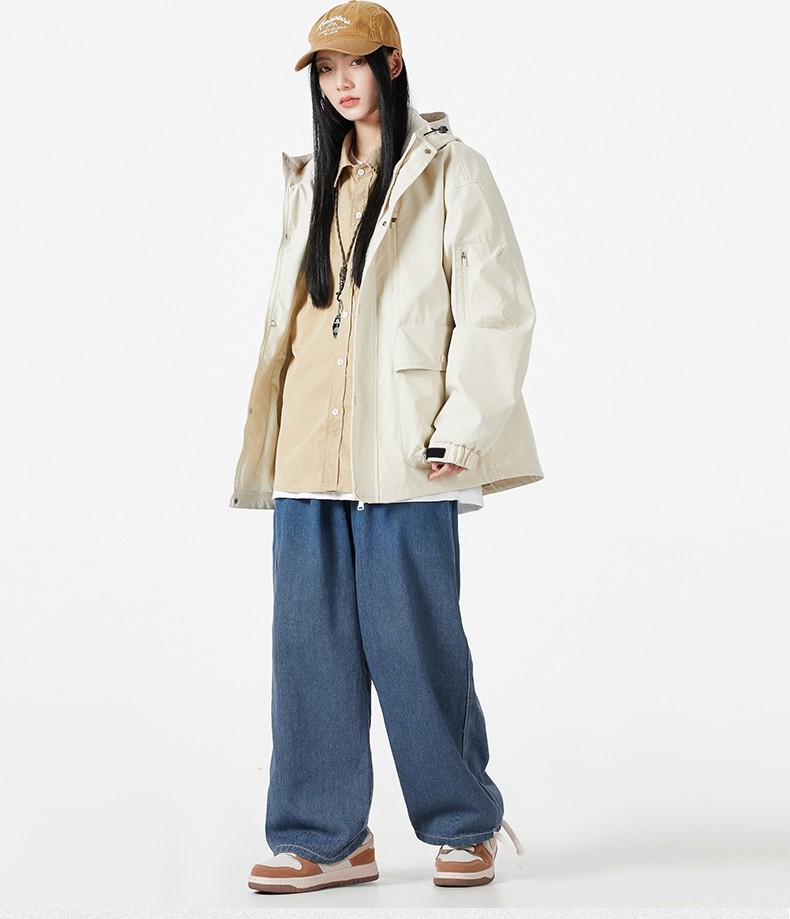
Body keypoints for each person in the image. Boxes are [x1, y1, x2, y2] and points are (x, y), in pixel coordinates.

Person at [229, 0, 543, 894]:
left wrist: (463, 426)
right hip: (307, 449)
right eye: (325, 71)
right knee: (309, 645)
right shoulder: (311, 182)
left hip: (406, 448)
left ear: (392, 64)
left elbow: (497, 307)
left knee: (415, 639)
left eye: (354, 64)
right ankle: (324, 836)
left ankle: (464, 822)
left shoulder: (451, 170)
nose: (340, 83)